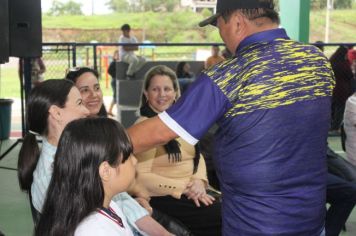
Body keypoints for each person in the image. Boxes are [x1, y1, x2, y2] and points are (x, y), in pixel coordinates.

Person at [127, 0, 335, 235]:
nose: (221, 36)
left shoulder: (230, 74)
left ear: (236, 22)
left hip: (255, 225)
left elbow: (157, 132)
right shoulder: (317, 62)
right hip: (312, 221)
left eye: (219, 26)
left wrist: (91, 143)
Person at [17, 79, 171, 236]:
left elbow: (119, 201)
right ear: (56, 113)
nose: (86, 111)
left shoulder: (78, 154)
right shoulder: (53, 175)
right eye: (79, 103)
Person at [129, 65, 222, 236]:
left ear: (175, 93)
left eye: (167, 89)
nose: (162, 94)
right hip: (164, 196)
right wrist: (184, 188)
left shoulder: (179, 123)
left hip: (191, 190)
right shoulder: (145, 126)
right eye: (155, 89)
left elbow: (197, 156)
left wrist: (199, 181)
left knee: (236, 208)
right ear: (146, 94)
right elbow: (140, 177)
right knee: (223, 217)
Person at [35, 117, 136, 236]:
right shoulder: (94, 230)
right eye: (129, 156)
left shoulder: (108, 205)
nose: (135, 161)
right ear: (106, 171)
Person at [329, 46, 354, 133]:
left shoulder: (331, 62)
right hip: (342, 90)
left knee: (332, 108)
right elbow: (350, 75)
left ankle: (330, 125)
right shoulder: (344, 64)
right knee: (340, 109)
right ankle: (335, 127)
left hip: (332, 89)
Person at [108, 50, 119, 116]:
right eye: (117, 55)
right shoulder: (113, 63)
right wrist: (115, 75)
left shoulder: (119, 63)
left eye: (119, 55)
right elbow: (109, 71)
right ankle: (110, 110)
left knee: (116, 96)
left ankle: (110, 110)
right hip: (114, 81)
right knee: (115, 96)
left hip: (116, 80)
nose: (118, 56)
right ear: (114, 56)